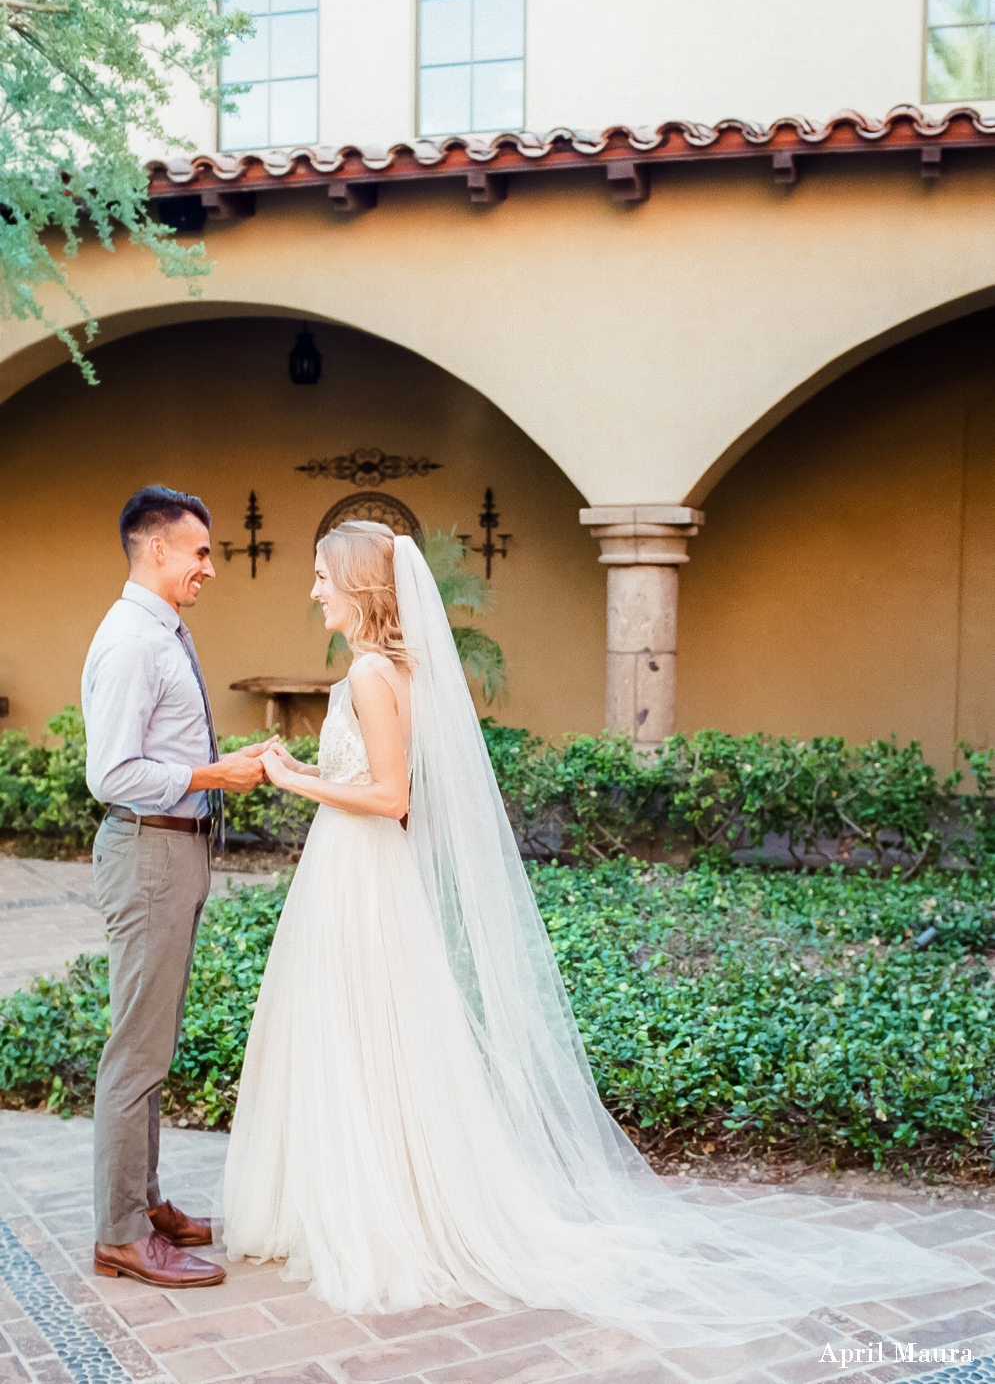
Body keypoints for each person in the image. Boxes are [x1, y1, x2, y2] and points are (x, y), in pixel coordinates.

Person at [224, 521, 981, 1346]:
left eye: (320, 577)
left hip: (359, 873)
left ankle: (371, 1214)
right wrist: (302, 771)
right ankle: (368, 1196)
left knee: (358, 1034)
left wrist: (293, 785)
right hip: (360, 872)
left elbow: (391, 797)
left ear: (359, 586)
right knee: (371, 1036)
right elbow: (376, 782)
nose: (312, 591)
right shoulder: (396, 671)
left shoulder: (371, 675)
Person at [82, 486, 268, 1290]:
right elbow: (111, 773)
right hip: (151, 852)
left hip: (173, 850)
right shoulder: (134, 641)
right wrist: (209, 773)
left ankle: (147, 1202)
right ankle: (121, 1234)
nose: (210, 567)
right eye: (199, 551)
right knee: (137, 1049)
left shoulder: (160, 632)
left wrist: (220, 771)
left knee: (152, 1042)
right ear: (156, 548)